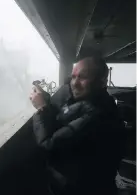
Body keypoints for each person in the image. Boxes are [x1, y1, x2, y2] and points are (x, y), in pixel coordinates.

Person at [30, 57, 125, 195]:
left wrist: (41, 109)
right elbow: (66, 121)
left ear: (102, 81)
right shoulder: (94, 101)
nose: (74, 83)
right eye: (73, 77)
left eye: (82, 77)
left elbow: (49, 143)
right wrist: (47, 102)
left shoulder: (97, 114)